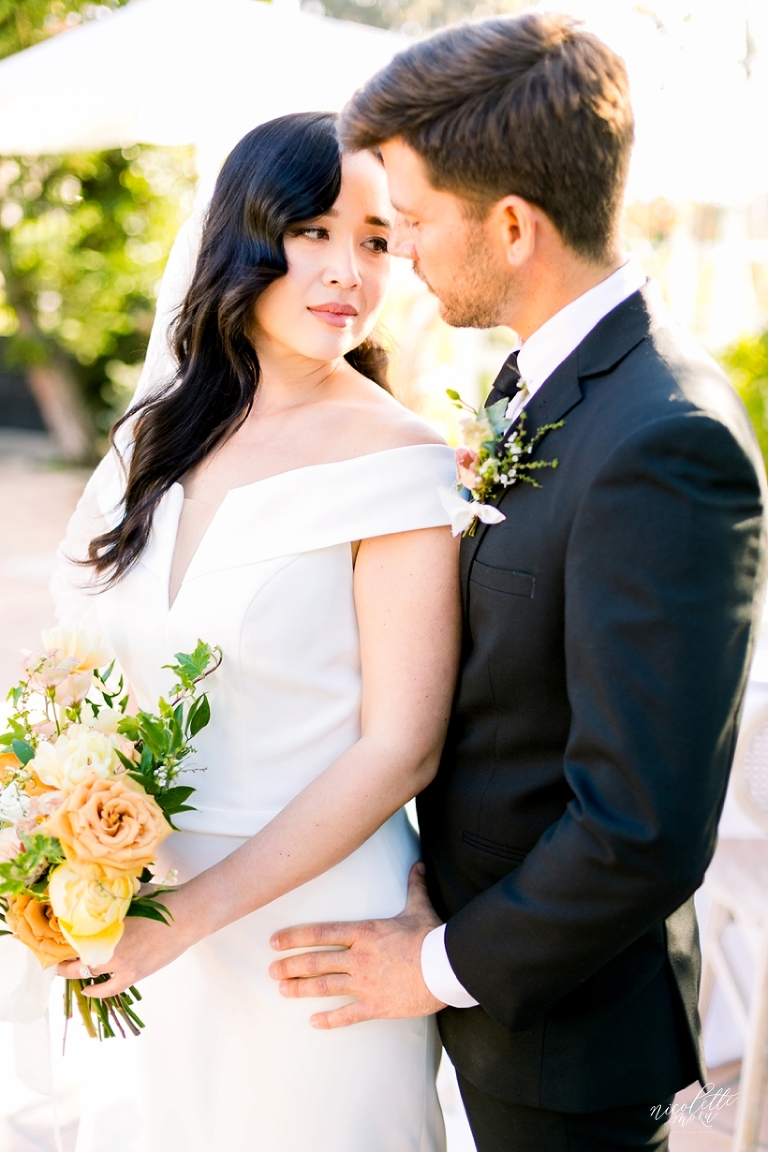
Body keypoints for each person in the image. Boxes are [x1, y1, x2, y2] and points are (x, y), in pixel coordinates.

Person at [268, 14, 768, 1152]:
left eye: (413, 223)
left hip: (562, 1038)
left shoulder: (665, 443)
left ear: (510, 223)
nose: (402, 254)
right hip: (494, 995)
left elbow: (640, 826)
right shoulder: (548, 379)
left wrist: (432, 967)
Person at [54, 110, 459, 1152]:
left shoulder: (401, 462)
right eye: (314, 231)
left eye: (376, 241)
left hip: (314, 937)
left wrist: (191, 918)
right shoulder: (157, 435)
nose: (349, 274)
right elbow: (80, 672)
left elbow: (401, 745)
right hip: (137, 920)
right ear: (245, 232)